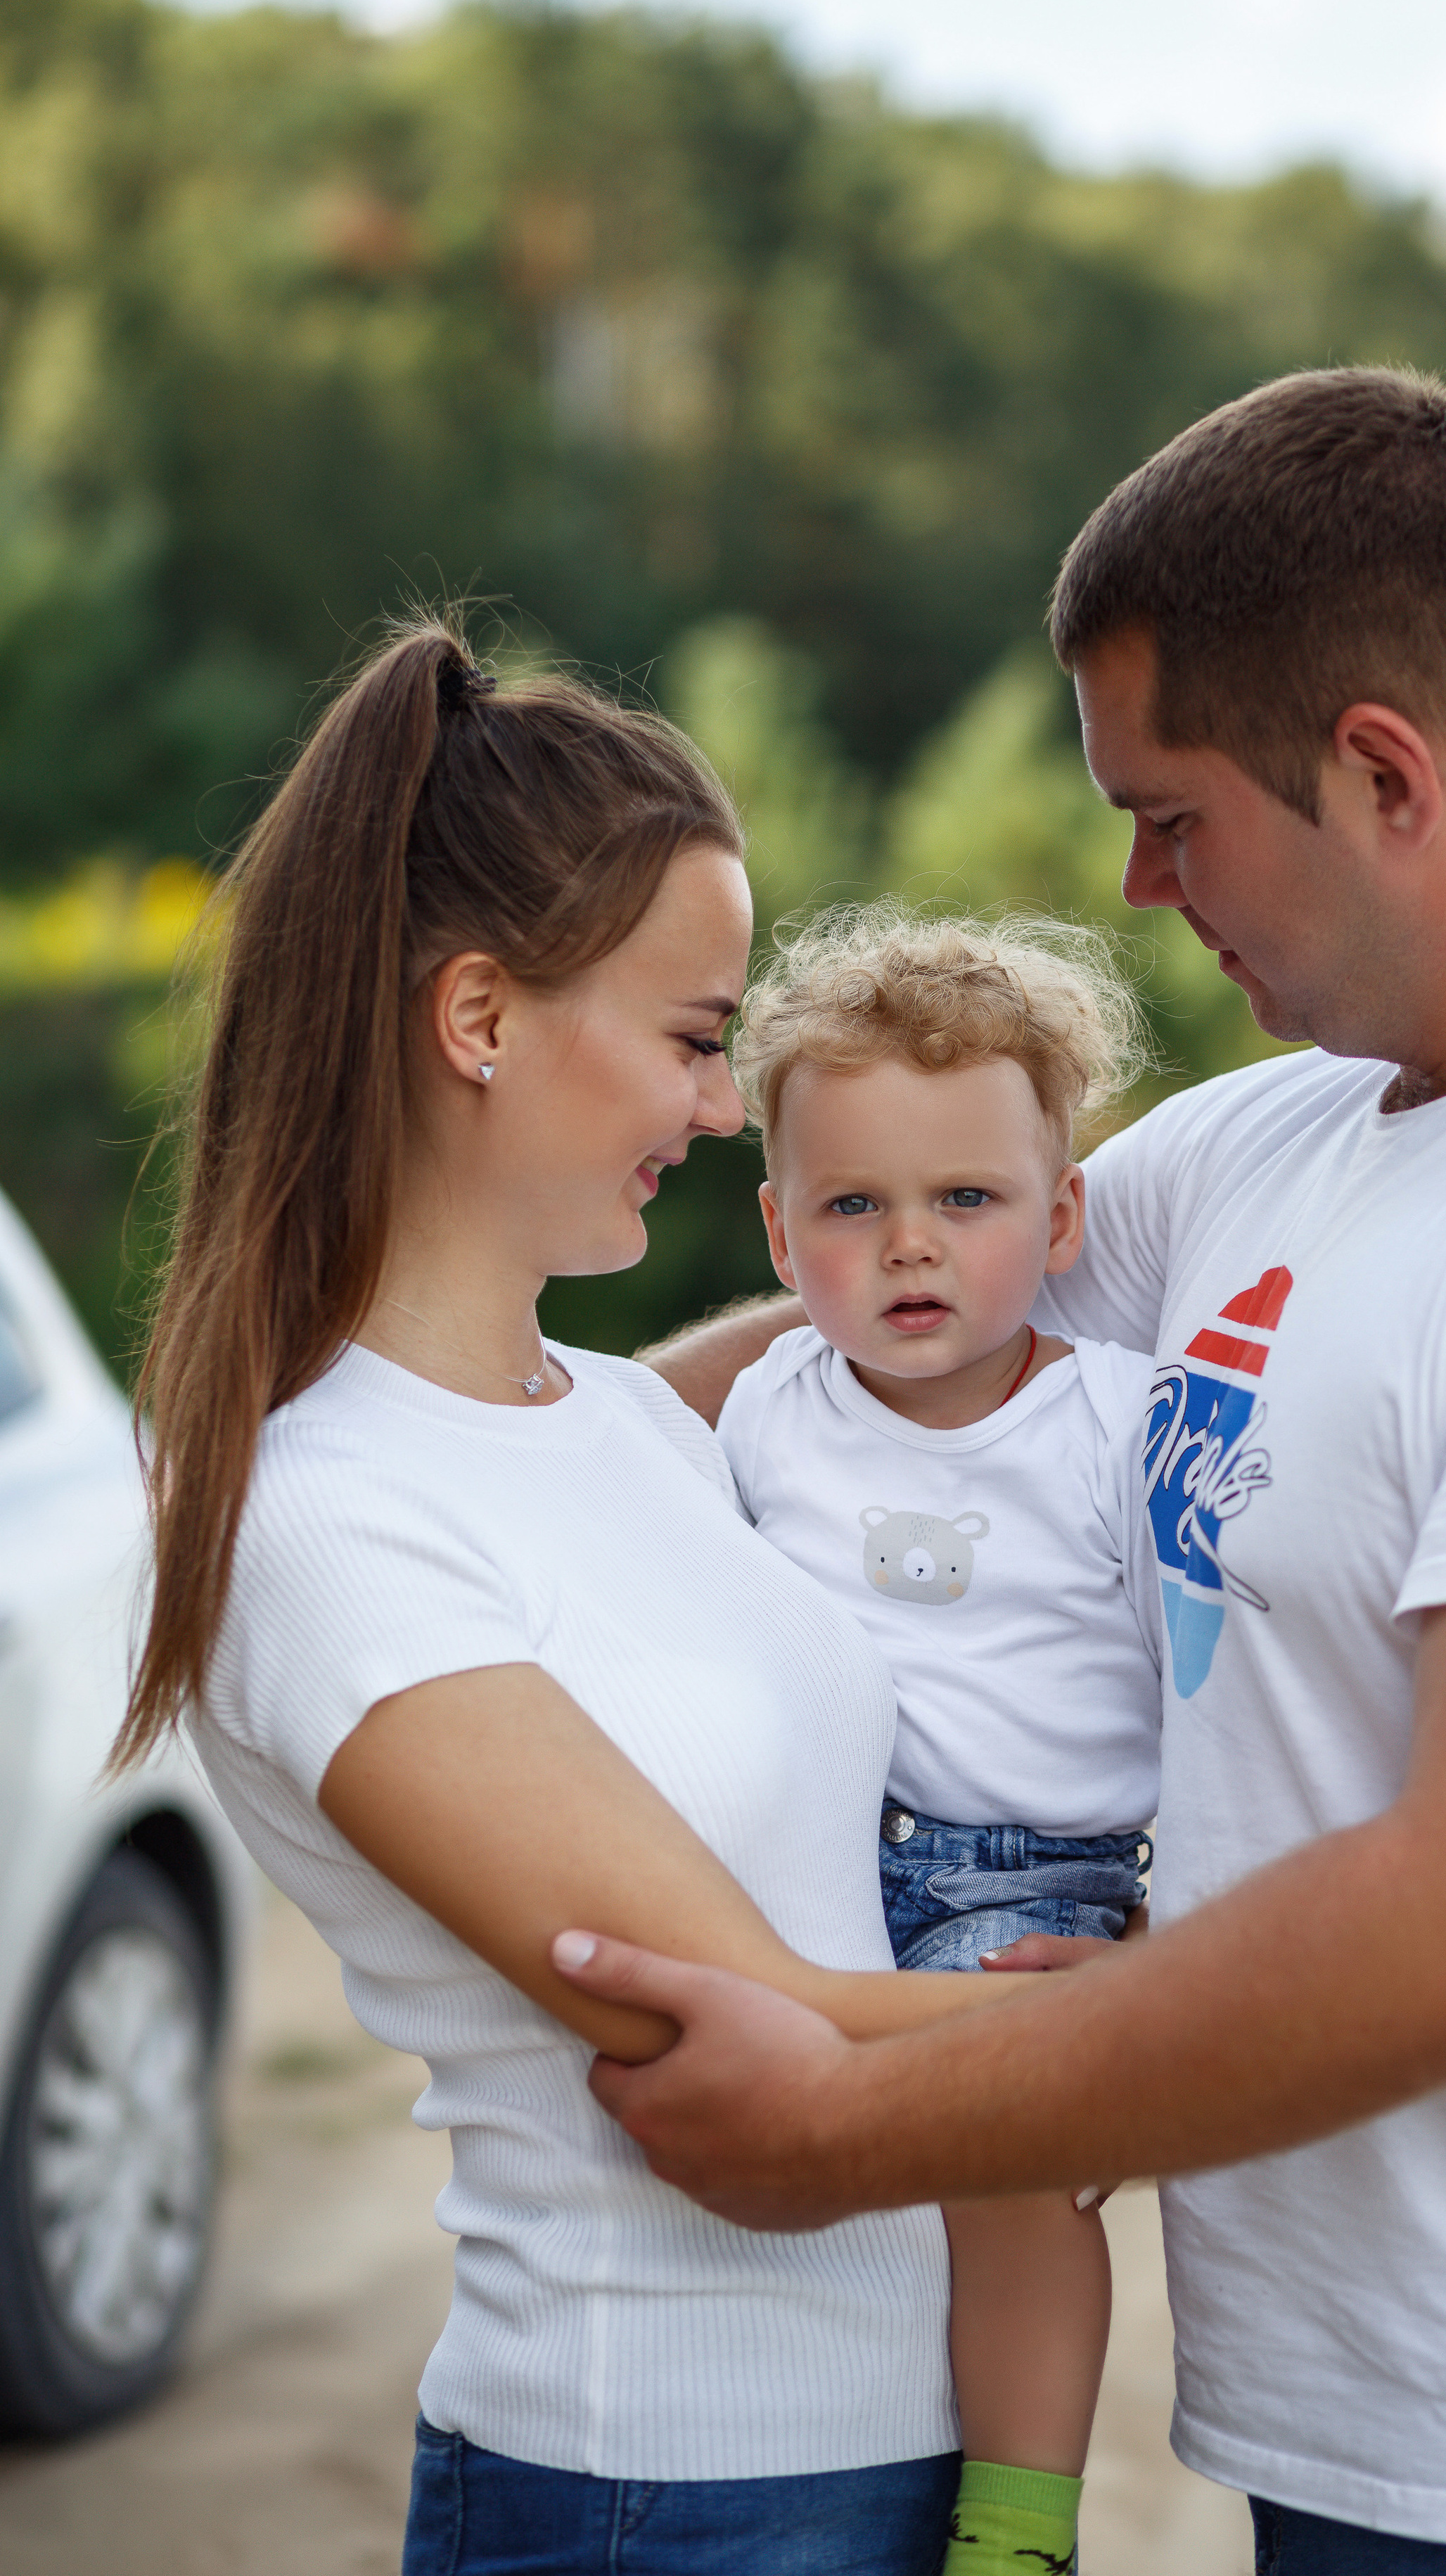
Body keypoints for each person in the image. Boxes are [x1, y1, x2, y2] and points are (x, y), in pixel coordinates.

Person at [551, 370, 1446, 2572]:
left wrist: (855, 2117)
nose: (1135, 882)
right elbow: (893, 1313)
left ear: (1383, 773)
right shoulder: (1287, 1132)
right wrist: (512, 1450)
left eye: (1175, 813)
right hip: (1347, 2429)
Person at [115, 625, 1082, 2576]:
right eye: (695, 1034)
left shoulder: (629, 1426)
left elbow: (876, 1331)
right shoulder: (329, 1522)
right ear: (479, 1014)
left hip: (888, 2467)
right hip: (656, 2502)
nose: (727, 1110)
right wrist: (1415, 1968)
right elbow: (772, 2025)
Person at [718, 905, 1164, 2576]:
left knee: (1007, 2170)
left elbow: (1213, 1687)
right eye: (854, 1206)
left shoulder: (1114, 1424)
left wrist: (1169, 1919)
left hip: (1027, 1880)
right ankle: (798, 2443)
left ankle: (1016, 2523)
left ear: (1058, 1219)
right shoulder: (765, 1408)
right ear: (777, 1232)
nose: (910, 1248)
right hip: (810, 1858)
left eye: (964, 1201)